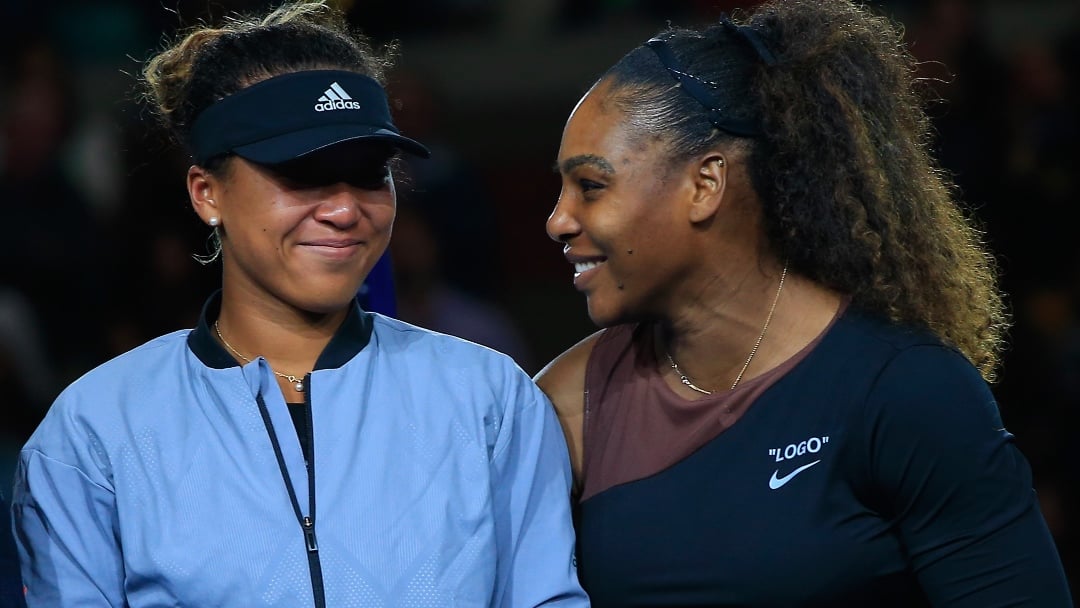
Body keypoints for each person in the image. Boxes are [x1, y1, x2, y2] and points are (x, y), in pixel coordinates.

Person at [10, 2, 586, 606]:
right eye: (303, 173)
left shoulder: (488, 398)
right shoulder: (97, 428)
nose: (344, 209)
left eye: (370, 174)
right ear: (207, 193)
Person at [535, 0, 1074, 605]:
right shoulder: (566, 402)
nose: (558, 221)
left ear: (705, 184)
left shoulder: (905, 391)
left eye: (591, 186)